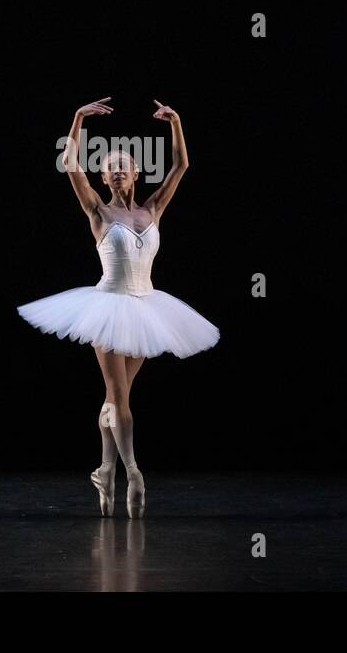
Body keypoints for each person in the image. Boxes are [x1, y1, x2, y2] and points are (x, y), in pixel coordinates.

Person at [16, 97, 220, 518]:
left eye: (125, 163)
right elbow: (71, 165)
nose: (118, 168)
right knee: (120, 399)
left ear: (137, 173)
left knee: (114, 398)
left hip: (148, 309)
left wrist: (176, 122)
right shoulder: (98, 211)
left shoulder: (153, 208)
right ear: (105, 177)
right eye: (110, 166)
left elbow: (181, 166)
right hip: (108, 307)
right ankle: (134, 473)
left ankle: (105, 470)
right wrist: (76, 119)